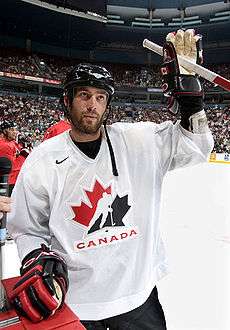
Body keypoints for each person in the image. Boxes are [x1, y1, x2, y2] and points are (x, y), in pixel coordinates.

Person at [7, 29, 214, 329]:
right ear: (68, 101)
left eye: (100, 97)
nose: (92, 105)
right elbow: (26, 228)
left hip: (138, 299)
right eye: (84, 95)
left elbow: (196, 146)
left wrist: (192, 105)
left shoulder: (140, 141)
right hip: (76, 302)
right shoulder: (43, 158)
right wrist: (36, 256)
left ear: (108, 104)